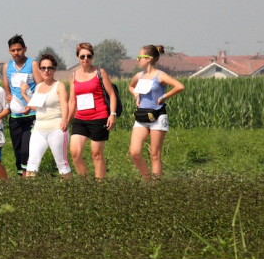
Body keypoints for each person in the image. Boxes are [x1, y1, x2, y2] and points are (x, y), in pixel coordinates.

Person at [128, 45, 185, 181]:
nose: (137, 60)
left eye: (139, 57)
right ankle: (148, 180)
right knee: (134, 152)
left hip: (158, 116)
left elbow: (179, 86)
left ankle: (155, 187)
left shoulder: (160, 76)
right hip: (142, 115)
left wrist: (164, 97)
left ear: (148, 59)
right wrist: (136, 95)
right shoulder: (139, 76)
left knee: (155, 154)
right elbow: (131, 86)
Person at [68, 42, 117, 181]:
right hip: (80, 118)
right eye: (82, 56)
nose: (85, 59)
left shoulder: (100, 72)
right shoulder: (74, 75)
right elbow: (72, 101)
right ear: (77, 58)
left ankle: (99, 186)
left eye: (88, 56)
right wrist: (66, 120)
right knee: (75, 153)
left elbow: (112, 95)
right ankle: (86, 184)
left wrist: (112, 115)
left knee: (96, 154)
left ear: (92, 57)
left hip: (99, 117)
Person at [20, 54, 72, 179]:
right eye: (43, 68)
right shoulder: (38, 87)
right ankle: (31, 195)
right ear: (39, 70)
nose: (46, 71)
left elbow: (65, 105)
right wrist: (25, 95)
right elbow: (36, 107)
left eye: (49, 68)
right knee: (31, 163)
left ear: (54, 69)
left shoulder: (59, 86)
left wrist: (65, 120)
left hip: (57, 128)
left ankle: (69, 193)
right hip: (39, 129)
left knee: (61, 163)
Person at [2, 34, 43, 177]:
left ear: (25, 49)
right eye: (13, 50)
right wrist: (9, 97)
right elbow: (6, 88)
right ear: (9, 51)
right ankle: (22, 177)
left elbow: (40, 86)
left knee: (27, 148)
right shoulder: (7, 66)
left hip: (30, 114)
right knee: (18, 150)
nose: (16, 53)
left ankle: (29, 176)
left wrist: (31, 104)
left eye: (19, 50)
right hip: (15, 115)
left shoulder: (32, 64)